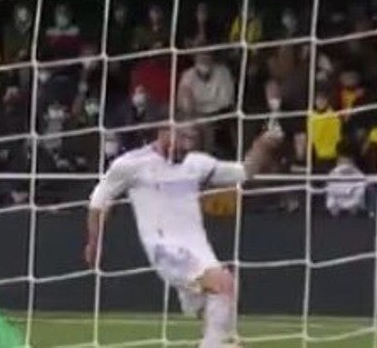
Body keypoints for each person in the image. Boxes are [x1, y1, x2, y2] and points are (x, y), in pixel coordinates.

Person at [85, 123, 283, 348]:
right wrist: (94, 241)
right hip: (164, 248)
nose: (188, 145)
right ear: (164, 132)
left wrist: (262, 144)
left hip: (199, 250)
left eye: (192, 139)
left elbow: (244, 172)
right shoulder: (131, 164)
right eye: (183, 138)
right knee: (223, 284)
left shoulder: (196, 163)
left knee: (221, 302)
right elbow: (98, 201)